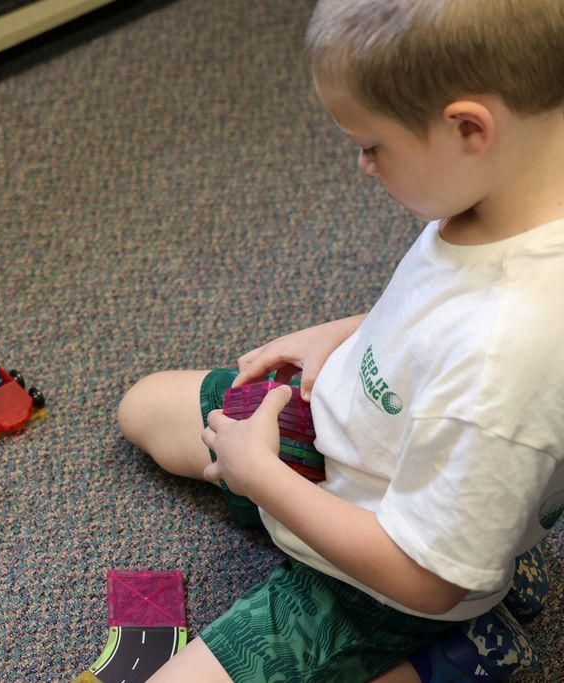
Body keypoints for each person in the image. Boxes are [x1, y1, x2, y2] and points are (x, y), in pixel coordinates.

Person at [117, 0, 564, 680]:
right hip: (356, 431)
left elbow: (426, 581)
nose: (362, 165)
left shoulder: (509, 350)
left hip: (388, 579)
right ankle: (497, 540)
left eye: (372, 145)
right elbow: (449, 305)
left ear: (469, 128)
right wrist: (351, 330)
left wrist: (261, 476)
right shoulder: (516, 178)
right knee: (144, 407)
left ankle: (462, 644)